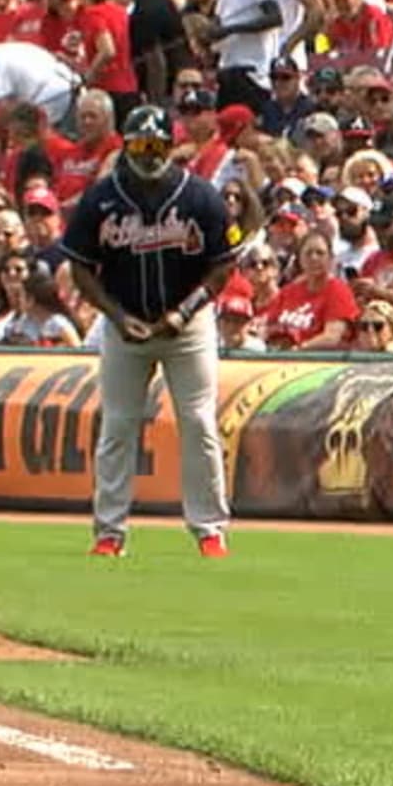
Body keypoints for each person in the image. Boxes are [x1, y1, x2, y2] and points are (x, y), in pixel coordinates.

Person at [58, 105, 240, 559]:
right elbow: (80, 267)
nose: (149, 154)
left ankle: (209, 529)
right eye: (140, 145)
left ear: (169, 147)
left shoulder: (199, 196)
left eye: (157, 145)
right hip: (126, 323)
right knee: (118, 425)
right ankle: (109, 532)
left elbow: (222, 266)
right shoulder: (103, 198)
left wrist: (184, 312)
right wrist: (117, 318)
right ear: (127, 146)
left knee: (198, 422)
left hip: (188, 324)